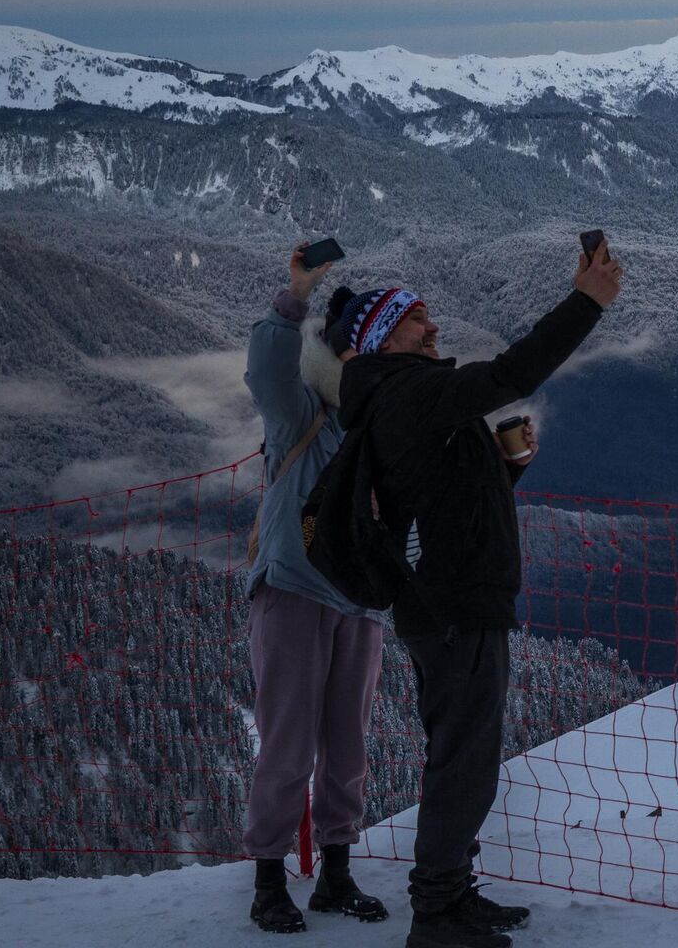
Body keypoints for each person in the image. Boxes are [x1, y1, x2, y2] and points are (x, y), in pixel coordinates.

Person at [333, 240, 624, 948]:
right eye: (418, 320)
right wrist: (588, 301)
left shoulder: (397, 399)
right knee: (465, 763)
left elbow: (447, 502)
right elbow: (512, 371)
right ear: (384, 337)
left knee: (458, 758)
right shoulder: (409, 391)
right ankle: (435, 916)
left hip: (447, 604)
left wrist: (504, 463)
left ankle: (452, 896)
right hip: (455, 607)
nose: (433, 328)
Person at [243, 244, 389, 933]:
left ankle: (335, 873)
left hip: (359, 599)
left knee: (347, 744)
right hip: (297, 588)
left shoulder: (378, 428)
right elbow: (267, 371)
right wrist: (294, 297)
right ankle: (269, 877)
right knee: (289, 743)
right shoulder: (305, 416)